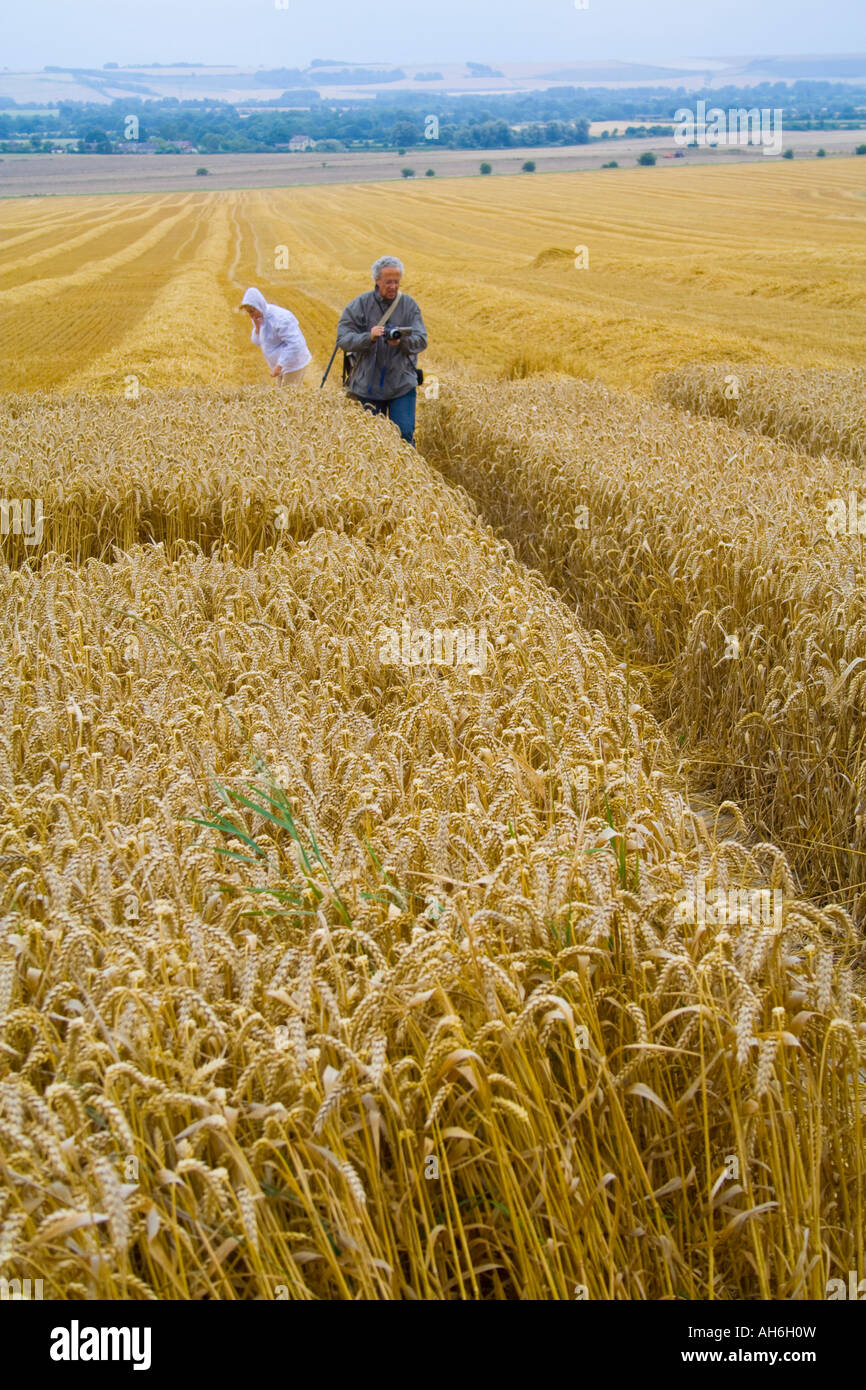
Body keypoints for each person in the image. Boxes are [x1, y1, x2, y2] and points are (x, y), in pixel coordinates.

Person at [336, 256, 427, 446]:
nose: (393, 286)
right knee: (366, 442)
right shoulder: (360, 305)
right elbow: (343, 339)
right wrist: (367, 337)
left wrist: (402, 341)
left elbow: (421, 341)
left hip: (401, 385)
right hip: (367, 387)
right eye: (388, 282)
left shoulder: (409, 306)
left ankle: (407, 474)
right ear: (377, 280)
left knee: (404, 435)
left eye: (397, 282)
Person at [240, 287, 312, 387]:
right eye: (248, 312)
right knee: (281, 396)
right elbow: (256, 341)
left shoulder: (280, 318)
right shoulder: (258, 318)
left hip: (294, 363)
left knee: (288, 398)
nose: (251, 315)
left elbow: (296, 344)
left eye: (252, 311)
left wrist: (280, 365)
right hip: (281, 365)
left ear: (259, 305)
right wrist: (257, 327)